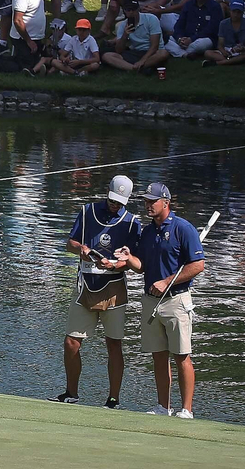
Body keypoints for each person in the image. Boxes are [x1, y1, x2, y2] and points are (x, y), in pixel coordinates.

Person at [55, 175, 141, 407]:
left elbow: (135, 261)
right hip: (85, 284)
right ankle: (71, 393)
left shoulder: (132, 223)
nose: (116, 205)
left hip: (114, 287)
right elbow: (69, 243)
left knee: (114, 343)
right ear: (107, 192)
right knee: (71, 341)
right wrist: (81, 249)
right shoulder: (87, 211)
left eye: (120, 202)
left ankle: (113, 399)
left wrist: (115, 263)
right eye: (113, 200)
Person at [125, 182, 206, 419]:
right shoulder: (148, 232)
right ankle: (163, 406)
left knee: (182, 355)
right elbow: (143, 267)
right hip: (151, 301)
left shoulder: (183, 228)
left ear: (166, 203)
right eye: (146, 201)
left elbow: (197, 265)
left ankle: (186, 410)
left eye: (152, 201)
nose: (147, 205)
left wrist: (167, 281)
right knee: (158, 355)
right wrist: (130, 259)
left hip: (176, 299)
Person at [102, 0, 170, 73]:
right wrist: (125, 35)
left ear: (138, 9)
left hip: (152, 52)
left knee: (163, 53)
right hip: (136, 51)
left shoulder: (151, 19)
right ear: (124, 11)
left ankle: (134, 67)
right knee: (107, 56)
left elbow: (154, 46)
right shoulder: (123, 25)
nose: (131, 12)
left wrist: (142, 60)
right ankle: (137, 69)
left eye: (133, 9)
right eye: (128, 10)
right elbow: (119, 50)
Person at [202, 0, 245, 66]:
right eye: (234, 11)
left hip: (241, 51)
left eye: (238, 12)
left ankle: (220, 62)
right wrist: (224, 51)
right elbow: (220, 44)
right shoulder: (223, 23)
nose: (236, 14)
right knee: (207, 53)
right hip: (227, 50)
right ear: (230, 11)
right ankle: (237, 61)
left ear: (242, 13)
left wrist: (242, 48)